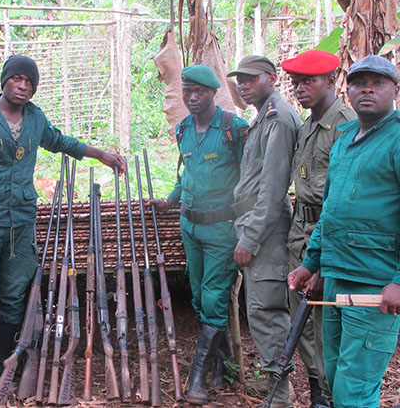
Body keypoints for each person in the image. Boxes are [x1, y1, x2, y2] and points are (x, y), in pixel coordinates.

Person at [0, 54, 125, 405]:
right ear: (5, 81)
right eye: (17, 79)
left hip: (21, 223)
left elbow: (60, 142)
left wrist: (99, 154)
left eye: (29, 82)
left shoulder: (35, 119)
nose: (23, 86)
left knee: (15, 296)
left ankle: (2, 363)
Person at [288, 55, 400, 408]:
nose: (366, 89)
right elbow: (331, 209)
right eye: (358, 82)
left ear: (395, 90)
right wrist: (312, 262)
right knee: (334, 378)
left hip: (375, 280)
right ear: (346, 89)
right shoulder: (345, 138)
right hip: (336, 275)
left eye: (377, 83)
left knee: (355, 389)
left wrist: (399, 279)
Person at [150, 65, 248, 405]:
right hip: (189, 225)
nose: (192, 97)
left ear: (213, 93)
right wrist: (169, 202)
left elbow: (250, 179)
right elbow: (186, 172)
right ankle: (222, 366)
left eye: (200, 92)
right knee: (198, 296)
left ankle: (196, 378)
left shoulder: (234, 128)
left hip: (223, 227)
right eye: (187, 91)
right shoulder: (182, 129)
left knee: (213, 298)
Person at [281, 49, 356, 408]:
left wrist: (325, 261)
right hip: (302, 231)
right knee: (305, 323)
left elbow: (344, 200)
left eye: (308, 81)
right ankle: (318, 391)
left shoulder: (346, 125)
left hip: (327, 237)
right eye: (296, 82)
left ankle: (331, 395)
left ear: (330, 81)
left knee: (326, 324)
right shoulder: (309, 123)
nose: (299, 88)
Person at [227, 55, 301, 408]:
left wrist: (251, 237)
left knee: (267, 310)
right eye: (239, 80)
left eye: (250, 79)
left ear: (271, 78)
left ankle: (279, 397)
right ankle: (274, 387)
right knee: (259, 309)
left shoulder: (279, 119)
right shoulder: (262, 118)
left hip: (266, 231)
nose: (243, 85)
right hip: (254, 223)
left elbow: (273, 190)